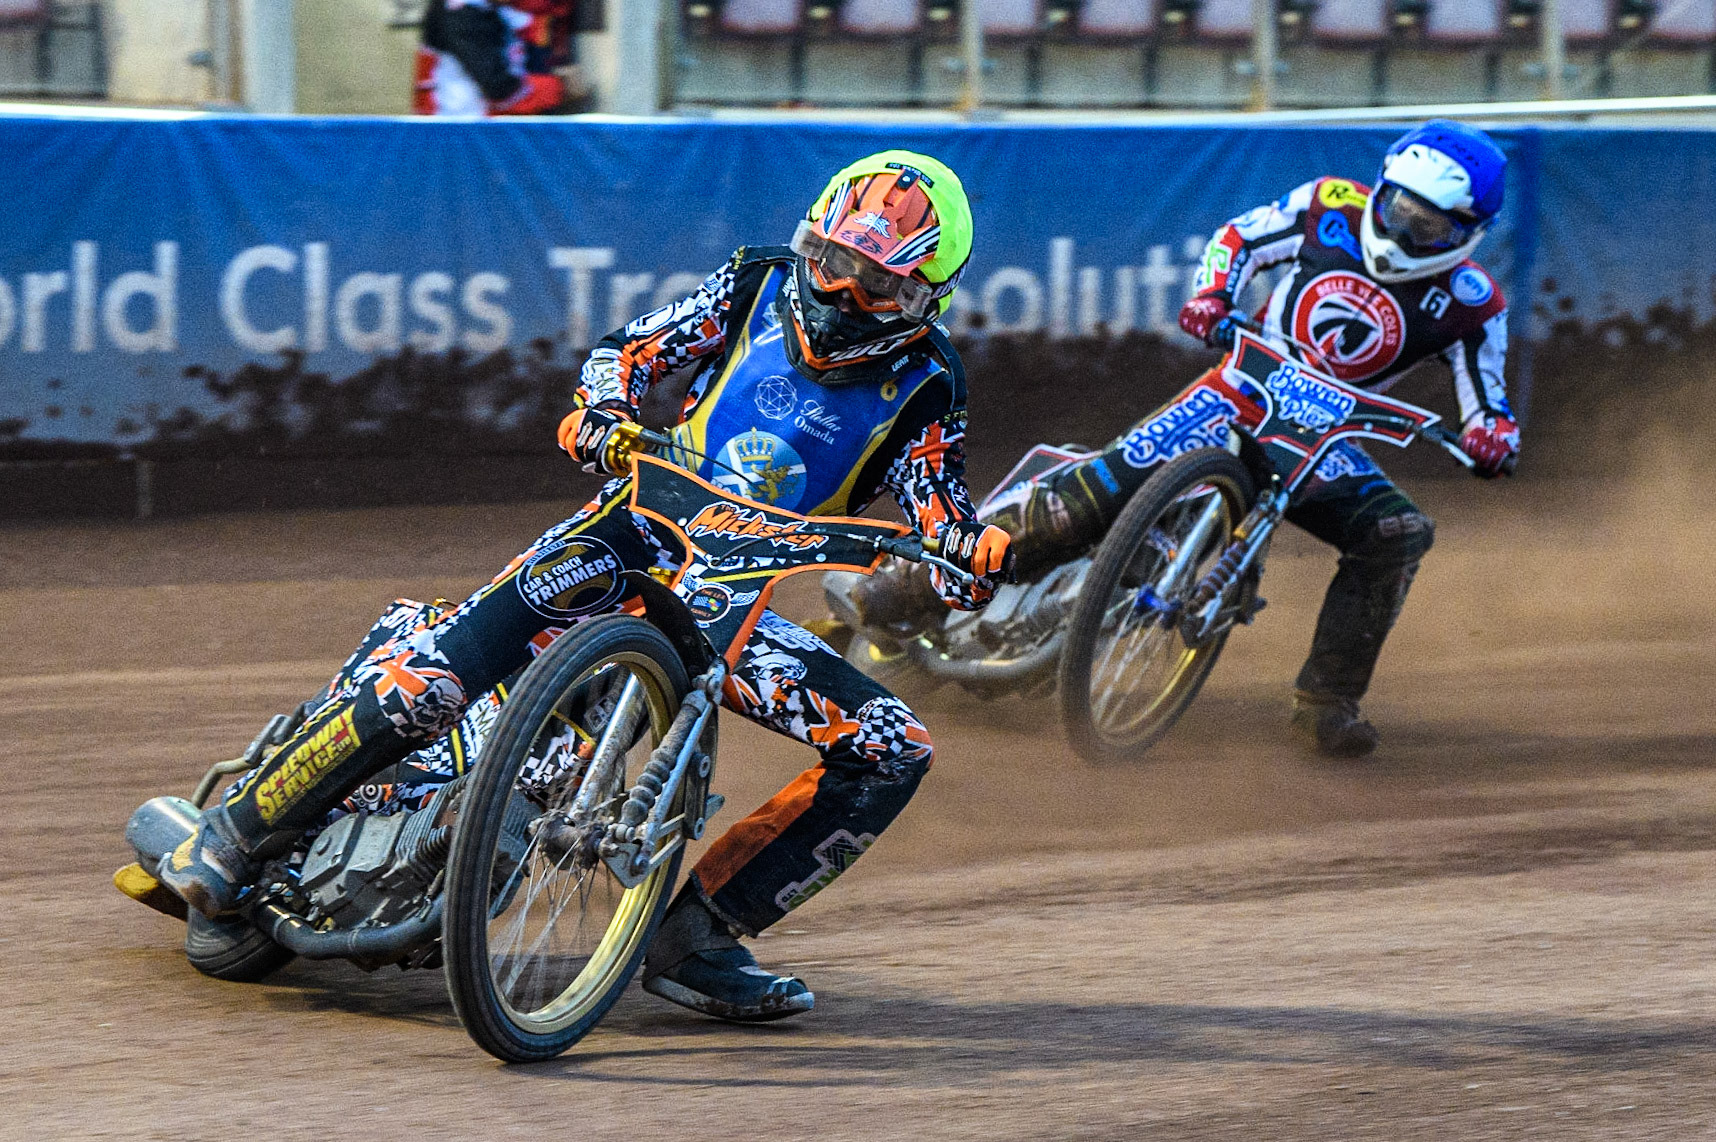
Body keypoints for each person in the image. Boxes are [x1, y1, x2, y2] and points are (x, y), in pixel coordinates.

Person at [158, 151, 1010, 1022]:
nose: (841, 295)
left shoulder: (930, 382)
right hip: (628, 530)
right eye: (833, 263)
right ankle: (241, 830)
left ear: (924, 298)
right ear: (807, 245)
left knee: (890, 746)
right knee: (445, 671)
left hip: (733, 601)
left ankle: (701, 936)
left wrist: (971, 552)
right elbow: (633, 350)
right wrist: (603, 410)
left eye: (876, 285)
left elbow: (937, 504)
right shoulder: (754, 281)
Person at [994, 120, 1518, 757]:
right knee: (1102, 483)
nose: (1403, 232)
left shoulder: (1474, 304)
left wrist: (1493, 435)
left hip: (1328, 441)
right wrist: (1213, 295)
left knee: (1396, 531)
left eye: (1427, 227)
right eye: (1396, 210)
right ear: (1379, 189)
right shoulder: (1330, 204)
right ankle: (913, 589)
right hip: (1240, 389)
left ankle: (1327, 702)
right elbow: (1238, 238)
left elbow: (1488, 398)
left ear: (1466, 233)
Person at [413, 0, 583, 117]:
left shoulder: (493, 7)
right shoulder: (461, 15)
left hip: (485, 129)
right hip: (457, 130)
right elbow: (500, 90)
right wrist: (560, 87)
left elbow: (534, 23)